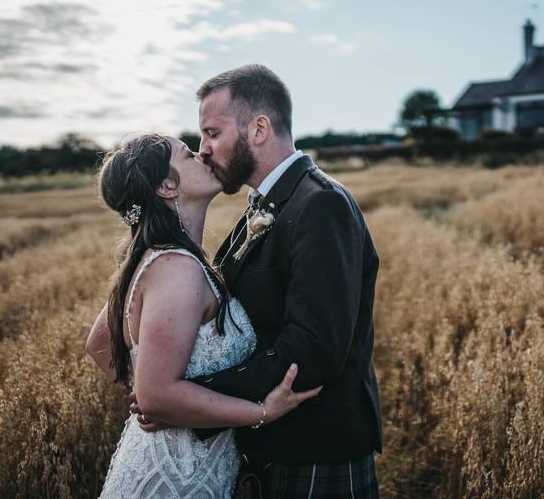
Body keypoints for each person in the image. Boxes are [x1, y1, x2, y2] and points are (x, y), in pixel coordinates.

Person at [131, 65, 383, 497]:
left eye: (212, 133)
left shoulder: (320, 205)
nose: (203, 149)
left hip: (315, 447)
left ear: (259, 128)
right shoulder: (263, 205)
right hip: (271, 444)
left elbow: (314, 348)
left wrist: (188, 399)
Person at [86, 133, 321, 498]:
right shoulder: (176, 268)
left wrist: (149, 385)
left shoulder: (159, 256)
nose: (203, 154)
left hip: (191, 464)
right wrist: (262, 412)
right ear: (166, 186)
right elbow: (155, 394)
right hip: (177, 476)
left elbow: (98, 344)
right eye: (187, 154)